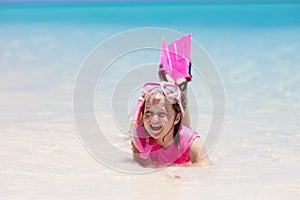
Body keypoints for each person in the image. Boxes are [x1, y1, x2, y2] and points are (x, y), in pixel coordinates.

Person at [130, 34, 210, 167]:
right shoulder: (141, 141)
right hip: (156, 132)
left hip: (178, 133)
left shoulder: (191, 141)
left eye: (160, 114)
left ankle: (178, 84)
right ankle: (173, 84)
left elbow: (206, 170)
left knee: (180, 123)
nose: (154, 119)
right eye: (148, 113)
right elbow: (142, 171)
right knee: (166, 112)